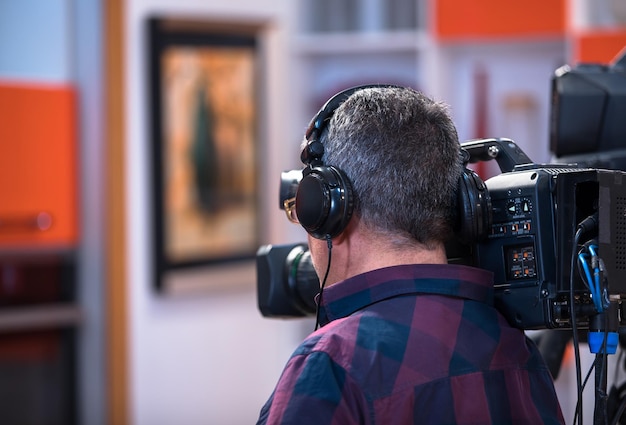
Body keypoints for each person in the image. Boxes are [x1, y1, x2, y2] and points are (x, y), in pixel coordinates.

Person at [257, 85, 564, 424]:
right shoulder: (519, 353)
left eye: (302, 206)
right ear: (460, 206)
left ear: (329, 210)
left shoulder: (330, 364)